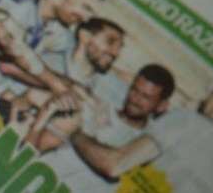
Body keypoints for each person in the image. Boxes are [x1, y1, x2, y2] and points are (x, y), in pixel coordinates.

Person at [37, 63, 176, 191]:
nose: (135, 99)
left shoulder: (144, 145)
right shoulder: (99, 107)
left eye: (146, 97)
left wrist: (74, 133)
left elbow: (113, 168)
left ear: (161, 105)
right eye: (134, 89)